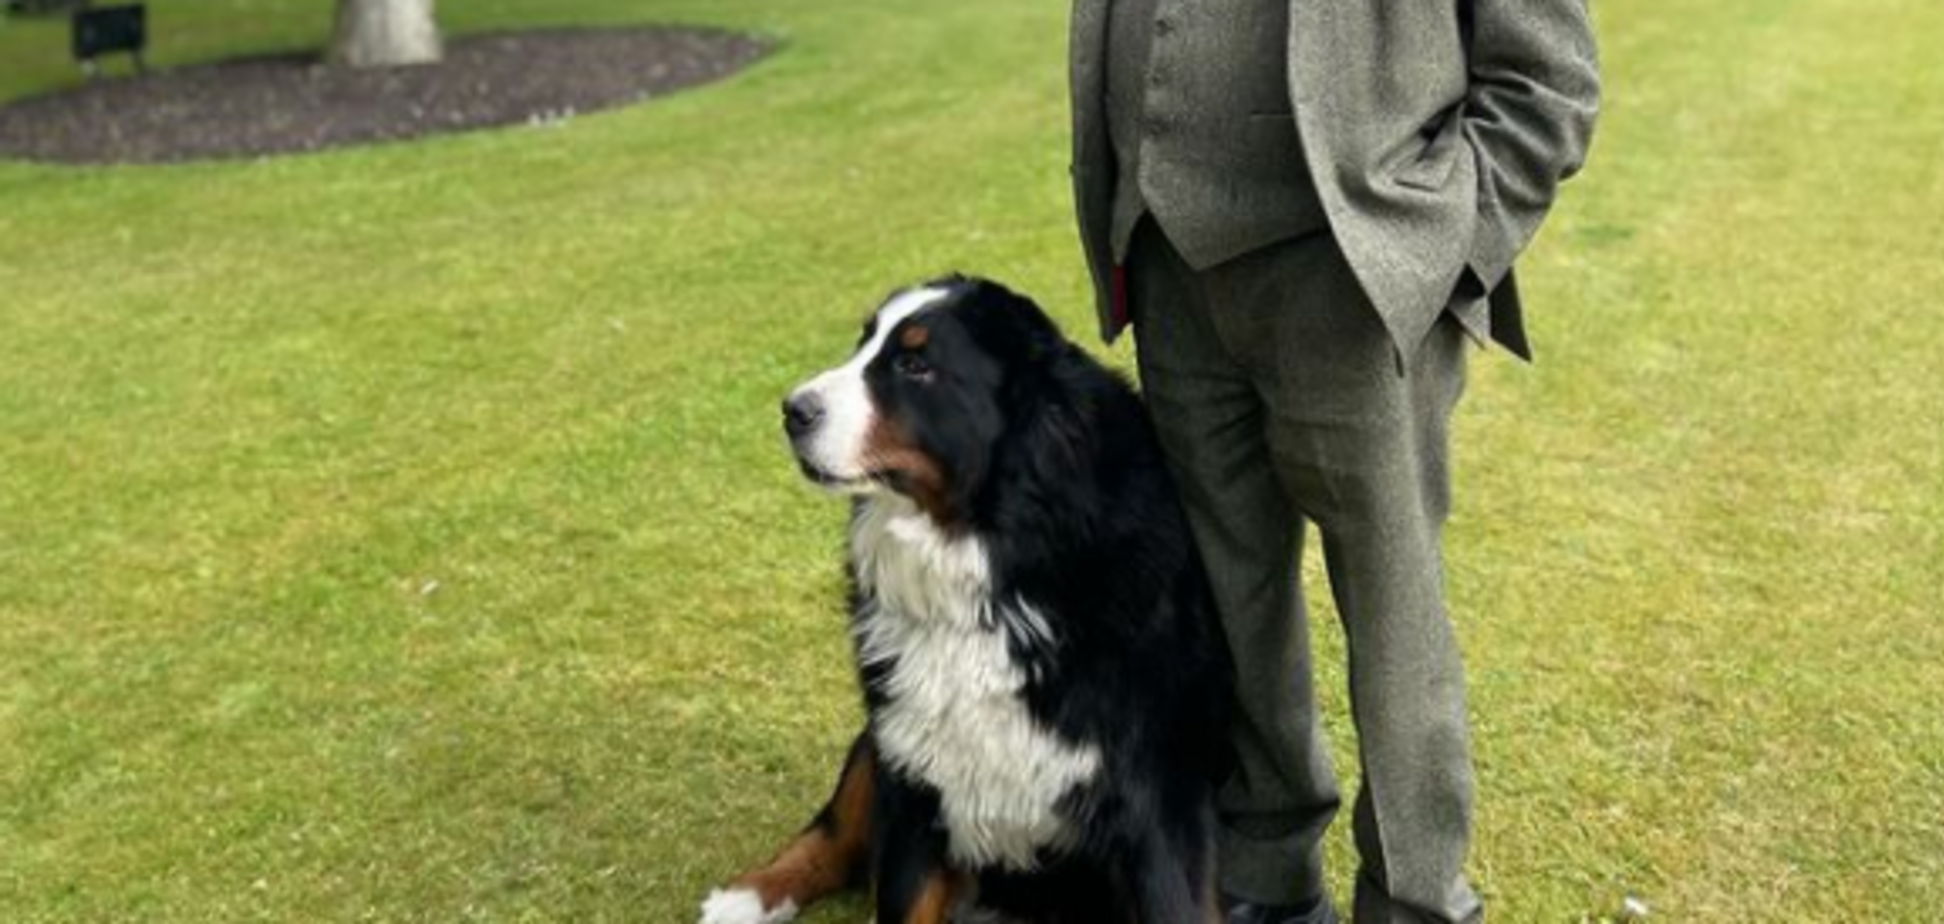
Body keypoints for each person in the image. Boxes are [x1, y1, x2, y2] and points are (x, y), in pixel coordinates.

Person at [1067, 2, 1600, 922]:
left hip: (1354, 280)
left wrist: (1440, 246)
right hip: (1171, 266)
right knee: (1227, 593)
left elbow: (1549, 77)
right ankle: (1265, 876)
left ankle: (1415, 900)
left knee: (1392, 605)